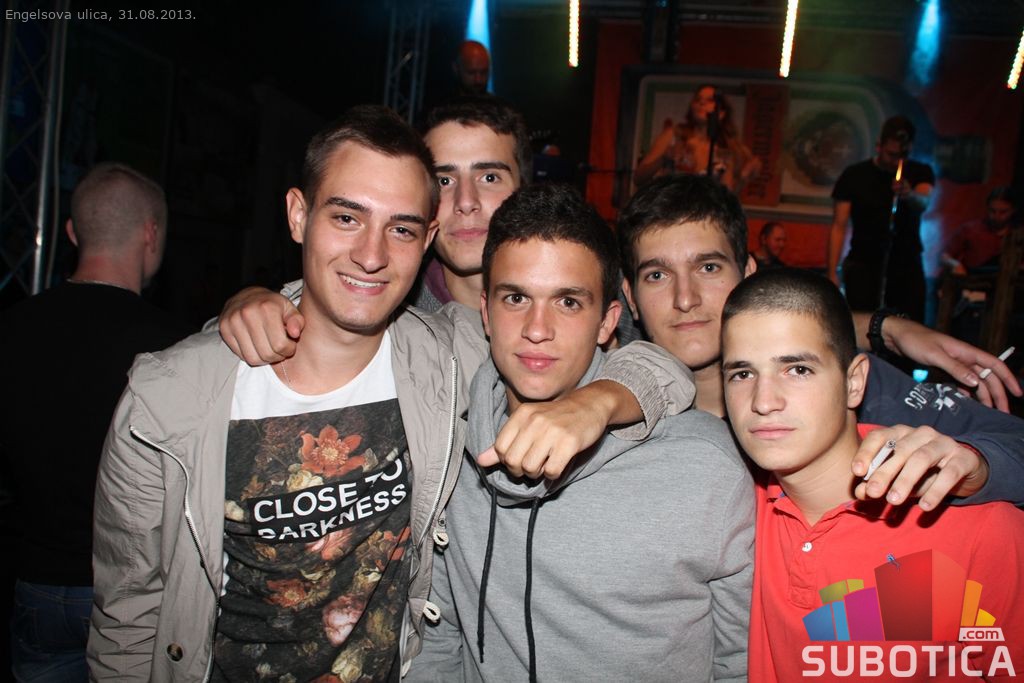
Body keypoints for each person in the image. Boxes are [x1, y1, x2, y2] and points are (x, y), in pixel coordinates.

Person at [88, 106, 691, 681]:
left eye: (400, 229)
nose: (372, 255)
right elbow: (127, 617)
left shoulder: (450, 354)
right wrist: (246, 300)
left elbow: (662, 365)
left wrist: (597, 401)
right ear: (298, 215)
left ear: (427, 239)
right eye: (346, 218)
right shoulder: (167, 401)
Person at [407, 184, 753, 682]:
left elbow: (741, 662)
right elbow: (438, 638)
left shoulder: (702, 463)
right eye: (516, 298)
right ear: (485, 311)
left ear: (607, 321)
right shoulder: (447, 444)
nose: (537, 328)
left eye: (568, 302)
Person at [618, 174, 1024, 510]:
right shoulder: (611, 398)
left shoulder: (843, 386)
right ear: (630, 297)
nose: (685, 299)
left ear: (748, 274)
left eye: (708, 267)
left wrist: (975, 467)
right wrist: (882, 327)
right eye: (657, 275)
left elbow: (1014, 442)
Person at [720, 268, 1024, 682]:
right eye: (742, 374)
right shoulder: (735, 498)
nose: (763, 401)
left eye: (798, 369)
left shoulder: (981, 530)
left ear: (854, 382)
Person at [0, 162, 190, 682]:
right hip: (133, 595)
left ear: (70, 231)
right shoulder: (175, 350)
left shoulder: (9, 329)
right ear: (151, 233)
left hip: (35, 584)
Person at [828, 115, 935, 322]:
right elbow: (838, 226)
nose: (896, 161)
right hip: (864, 262)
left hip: (905, 264)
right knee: (861, 323)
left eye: (902, 155)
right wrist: (832, 271)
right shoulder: (854, 175)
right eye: (891, 154)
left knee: (909, 324)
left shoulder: (920, 172)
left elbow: (923, 202)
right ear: (879, 146)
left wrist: (909, 194)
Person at [635, 84, 761, 193]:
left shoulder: (725, 150)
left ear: (721, 113)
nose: (701, 103)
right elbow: (638, 177)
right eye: (698, 99)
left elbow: (724, 196)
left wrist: (743, 178)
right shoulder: (675, 135)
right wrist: (664, 158)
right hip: (672, 209)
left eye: (710, 100)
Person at [942, 186, 1019, 274]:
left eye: (1003, 212)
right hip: (973, 278)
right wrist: (955, 264)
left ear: (1013, 210)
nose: (996, 216)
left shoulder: (1018, 234)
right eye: (992, 211)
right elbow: (944, 255)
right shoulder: (970, 229)